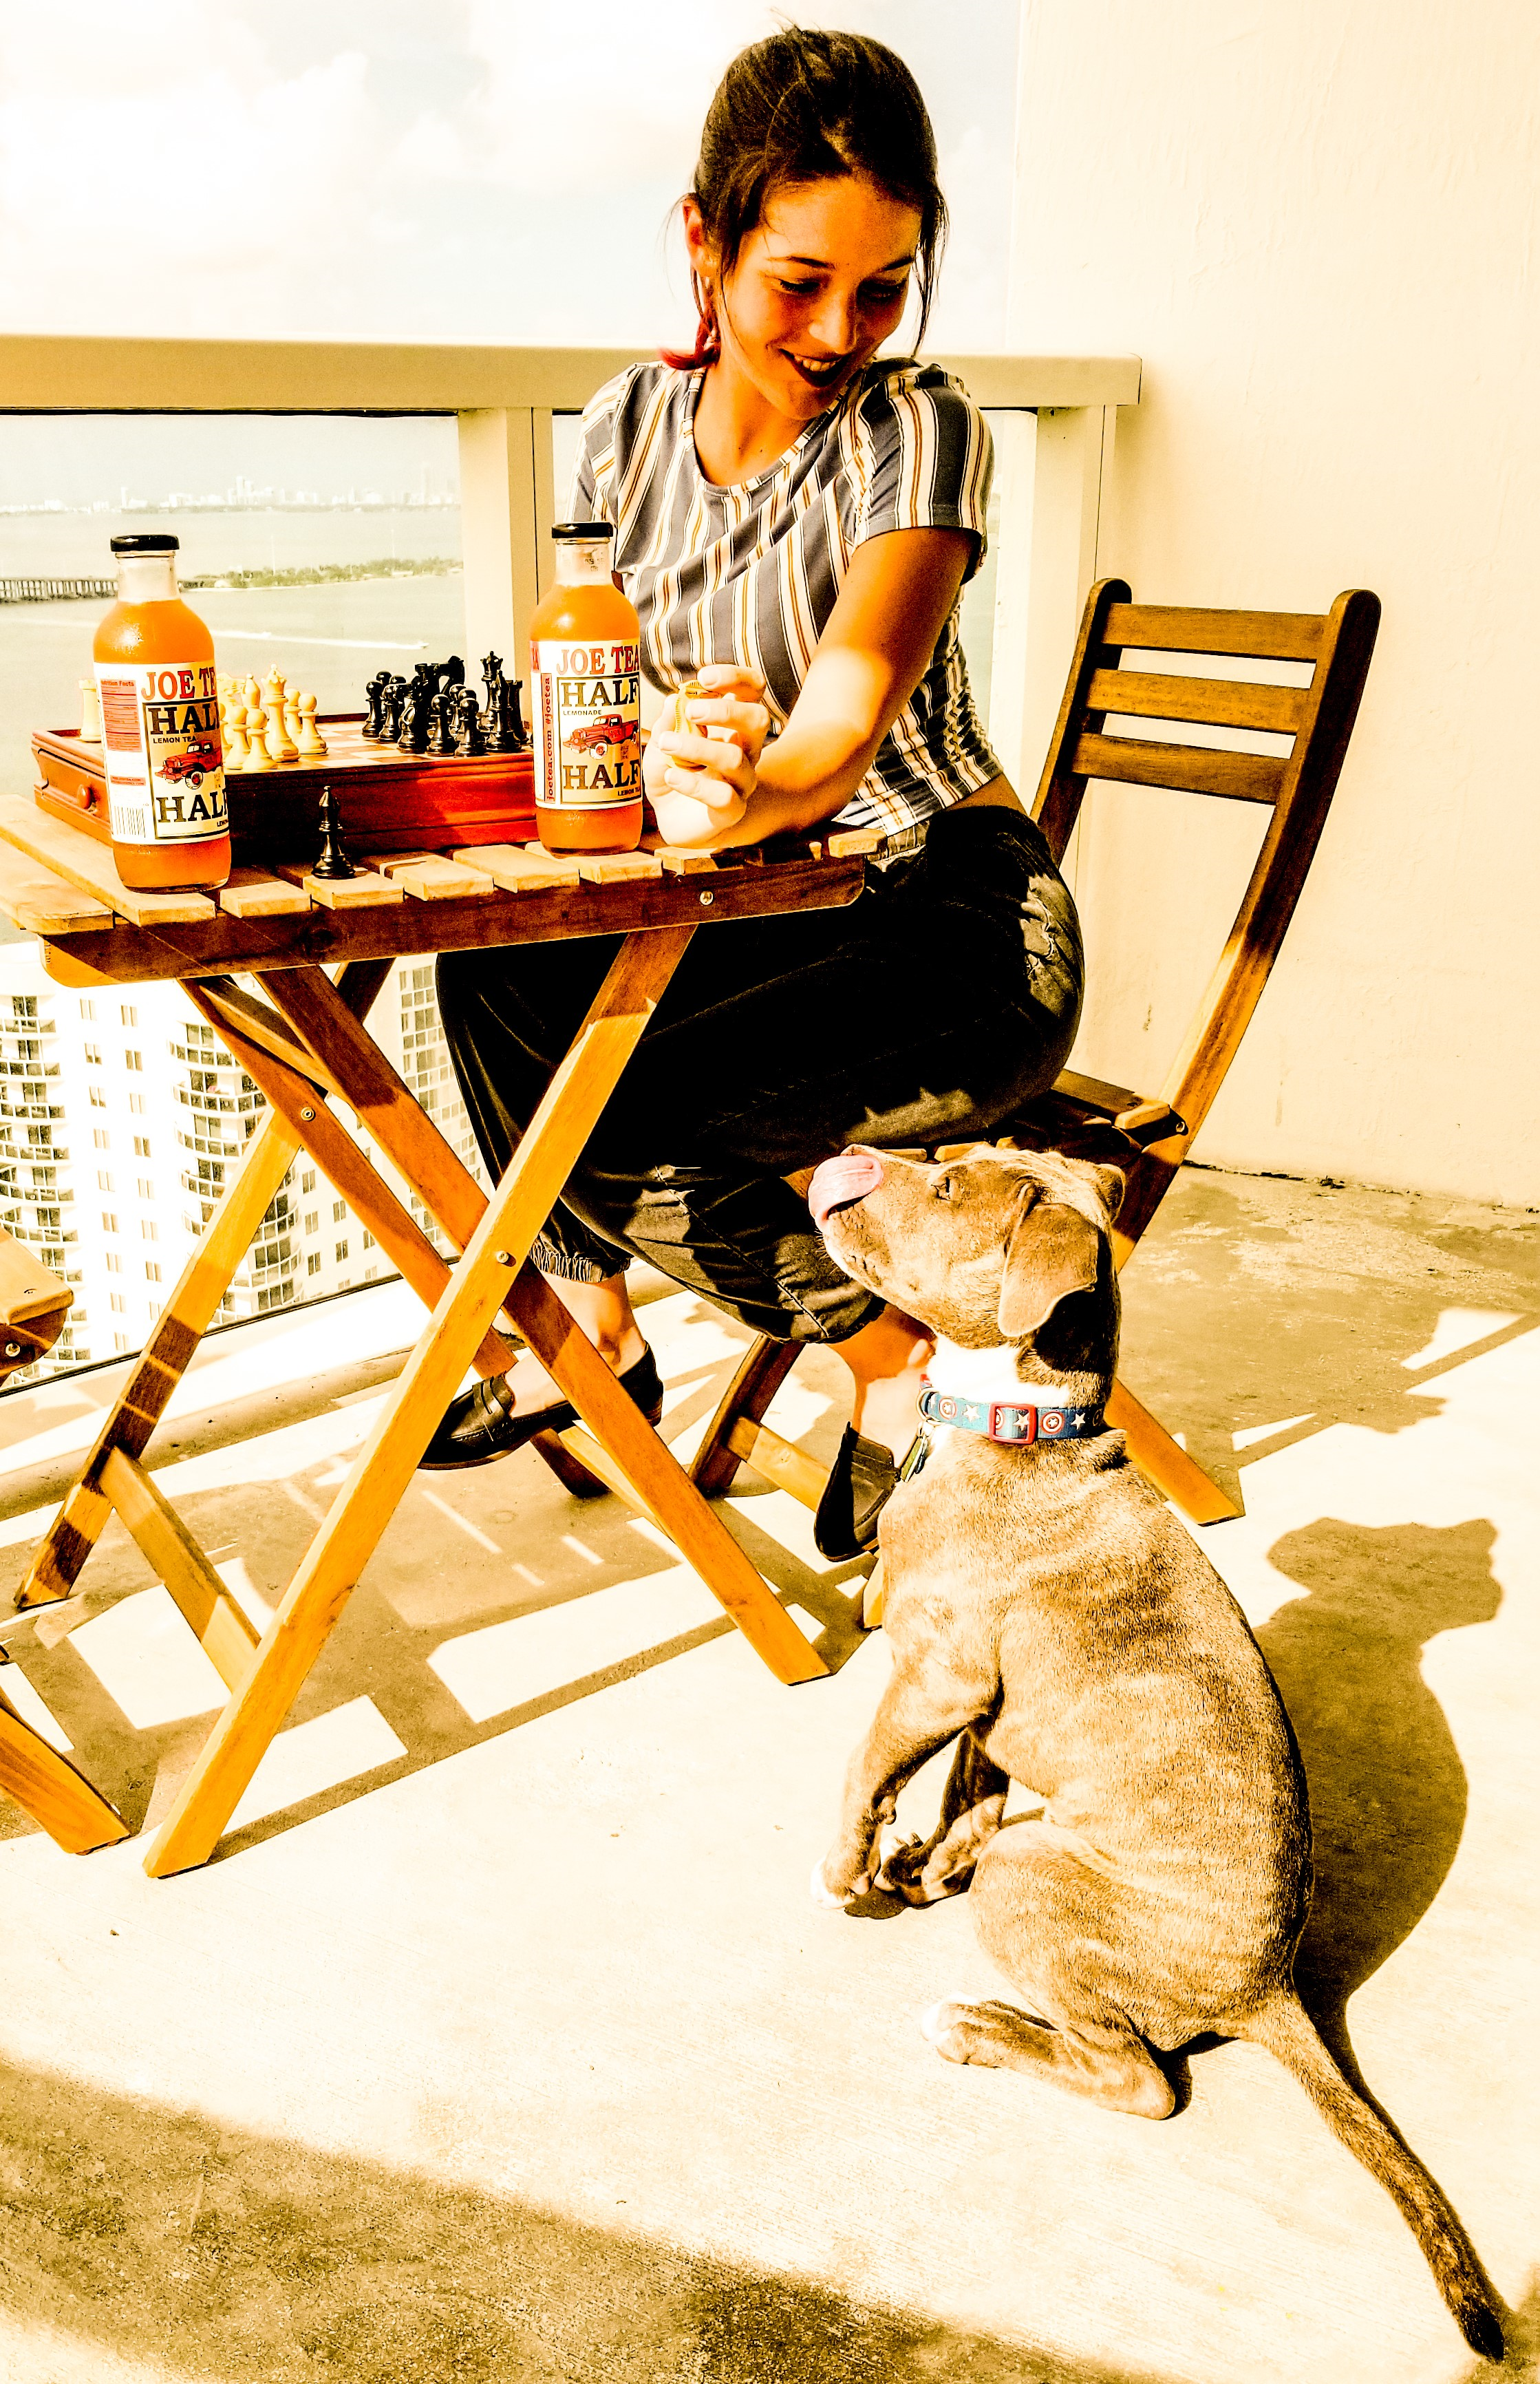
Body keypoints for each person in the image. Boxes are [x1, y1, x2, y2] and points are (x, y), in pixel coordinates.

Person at [425, 28, 1084, 1557]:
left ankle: (875, 1359)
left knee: (622, 1112)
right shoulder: (621, 432)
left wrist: (738, 790)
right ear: (705, 244)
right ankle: (604, 1325)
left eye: (885, 282)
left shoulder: (917, 428)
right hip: (758, 913)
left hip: (955, 923)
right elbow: (592, 688)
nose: (843, 325)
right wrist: (654, 740)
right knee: (493, 964)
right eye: (800, 279)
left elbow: (846, 720)